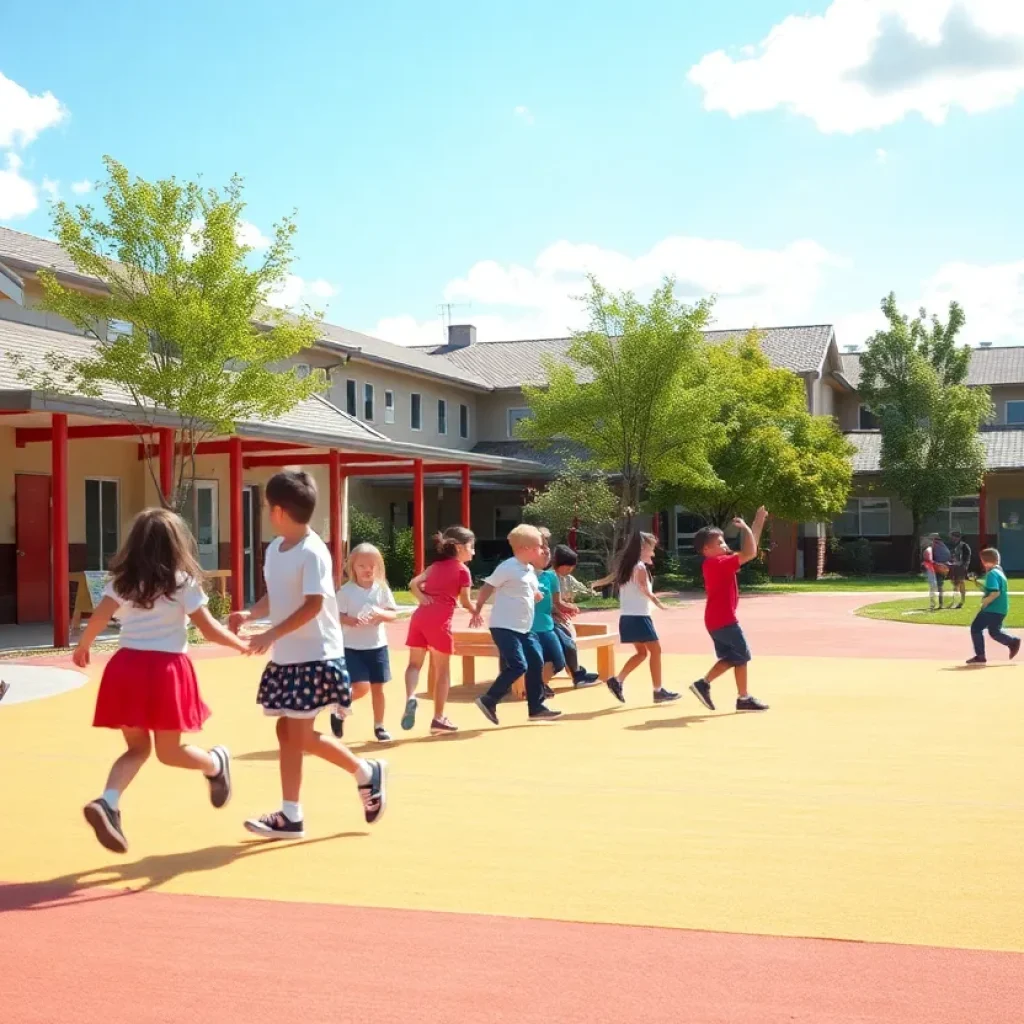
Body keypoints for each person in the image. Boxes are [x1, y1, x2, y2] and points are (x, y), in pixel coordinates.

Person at [74, 508, 246, 854]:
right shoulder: (182, 582)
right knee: (169, 752)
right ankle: (215, 764)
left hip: (125, 669)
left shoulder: (123, 582)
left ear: (135, 543)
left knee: (137, 749)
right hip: (165, 671)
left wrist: (84, 645)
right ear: (176, 544)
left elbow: (100, 616)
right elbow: (209, 629)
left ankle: (109, 801)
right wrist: (241, 644)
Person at [229, 470, 386, 839]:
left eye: (267, 506)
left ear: (279, 511)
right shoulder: (275, 549)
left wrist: (270, 633)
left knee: (298, 735)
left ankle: (365, 772)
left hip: (317, 657)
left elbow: (313, 605)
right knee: (287, 731)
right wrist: (251, 613)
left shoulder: (312, 552)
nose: (267, 512)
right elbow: (278, 595)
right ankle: (292, 815)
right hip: (288, 657)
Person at [473, 523, 561, 725]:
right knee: (518, 665)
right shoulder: (508, 567)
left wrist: (536, 595)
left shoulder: (529, 570)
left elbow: (528, 590)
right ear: (526, 548)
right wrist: (477, 608)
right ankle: (489, 700)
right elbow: (488, 586)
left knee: (536, 661)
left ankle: (536, 707)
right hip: (505, 626)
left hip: (524, 627)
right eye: (539, 547)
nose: (543, 550)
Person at [689, 509, 770, 712]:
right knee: (741, 656)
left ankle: (741, 697)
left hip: (717, 620)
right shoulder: (717, 563)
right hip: (724, 620)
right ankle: (706, 684)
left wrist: (757, 521)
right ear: (706, 549)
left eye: (724, 541)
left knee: (735, 657)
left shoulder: (717, 562)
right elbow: (750, 553)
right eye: (720, 543)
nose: (725, 545)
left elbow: (751, 547)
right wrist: (746, 527)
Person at [404, 525, 480, 734]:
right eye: (471, 547)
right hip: (439, 621)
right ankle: (438, 718)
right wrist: (475, 611)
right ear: (459, 548)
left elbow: (413, 583)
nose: (473, 552)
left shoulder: (435, 566)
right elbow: (465, 601)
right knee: (442, 670)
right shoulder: (463, 571)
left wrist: (421, 597)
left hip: (420, 617)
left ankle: (410, 696)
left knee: (414, 665)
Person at [330, 543, 399, 743]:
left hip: (377, 647)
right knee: (361, 687)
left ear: (379, 566)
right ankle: (340, 706)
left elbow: (393, 614)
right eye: (362, 566)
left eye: (372, 565)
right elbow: (336, 615)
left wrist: (381, 615)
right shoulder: (346, 591)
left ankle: (380, 726)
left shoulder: (382, 589)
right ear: (352, 567)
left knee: (378, 688)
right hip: (352, 648)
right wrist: (350, 620)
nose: (367, 570)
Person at [604, 531, 680, 704]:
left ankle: (617, 681)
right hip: (638, 617)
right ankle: (658, 691)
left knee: (642, 653)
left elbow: (620, 582)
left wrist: (595, 584)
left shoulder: (628, 567)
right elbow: (645, 590)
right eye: (651, 548)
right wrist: (661, 605)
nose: (653, 553)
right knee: (655, 651)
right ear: (642, 548)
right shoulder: (639, 567)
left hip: (628, 617)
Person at [551, 544, 600, 687]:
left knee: (571, 638)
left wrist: (593, 590)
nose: (569, 571)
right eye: (567, 568)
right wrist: (560, 610)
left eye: (571, 568)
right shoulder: (549, 577)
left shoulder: (567, 578)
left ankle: (575, 670)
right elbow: (551, 602)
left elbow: (581, 588)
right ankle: (576, 674)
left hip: (562, 617)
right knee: (568, 642)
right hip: (552, 617)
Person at [966, 547, 1021, 665]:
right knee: (994, 632)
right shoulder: (999, 572)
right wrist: (976, 582)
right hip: (1001, 608)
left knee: (976, 628)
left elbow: (995, 592)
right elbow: (990, 589)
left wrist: (985, 602)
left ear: (984, 561)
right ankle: (1012, 641)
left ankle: (980, 656)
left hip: (992, 609)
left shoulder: (991, 574)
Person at [922, 533, 950, 611]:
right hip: (943, 567)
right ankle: (940, 604)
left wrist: (936, 563)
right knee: (940, 586)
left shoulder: (935, 546)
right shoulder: (943, 546)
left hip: (937, 568)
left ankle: (937, 604)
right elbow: (948, 556)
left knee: (936, 586)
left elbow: (929, 557)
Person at [949, 530, 972, 610]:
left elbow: (966, 558)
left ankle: (961, 601)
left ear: (958, 537)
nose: (952, 539)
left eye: (953, 537)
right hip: (955, 567)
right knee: (955, 584)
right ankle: (955, 600)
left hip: (961, 567)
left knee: (960, 583)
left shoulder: (964, 546)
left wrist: (963, 566)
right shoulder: (954, 546)